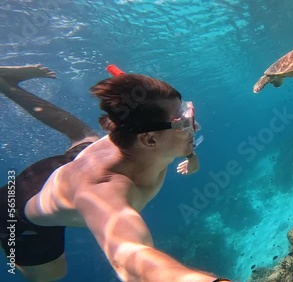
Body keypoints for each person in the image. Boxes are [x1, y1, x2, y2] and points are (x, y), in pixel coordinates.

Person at [0, 64, 231, 282]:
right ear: (149, 139)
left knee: (84, 135)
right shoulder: (103, 190)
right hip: (16, 212)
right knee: (52, 274)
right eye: (185, 122)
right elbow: (130, 258)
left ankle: (5, 83)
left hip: (73, 162)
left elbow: (151, 109)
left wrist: (191, 157)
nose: (196, 126)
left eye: (188, 113)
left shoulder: (145, 132)